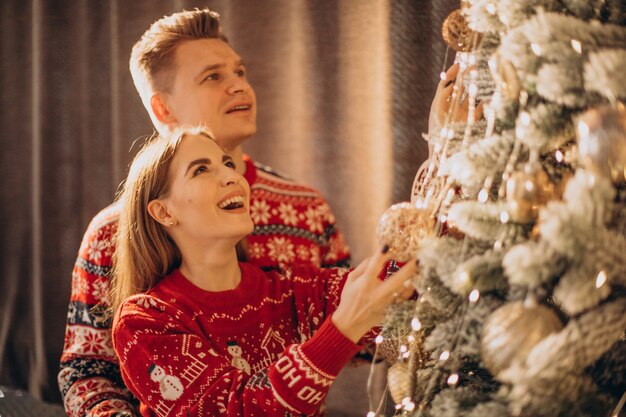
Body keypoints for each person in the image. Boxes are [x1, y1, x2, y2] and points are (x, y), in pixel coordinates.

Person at [59, 8, 351, 417]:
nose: (239, 85)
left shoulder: (305, 207)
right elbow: (88, 372)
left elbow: (364, 325)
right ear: (162, 110)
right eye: (213, 76)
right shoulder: (113, 230)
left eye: (240, 72)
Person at [110, 126, 417, 417]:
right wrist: (344, 328)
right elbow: (239, 410)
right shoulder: (145, 321)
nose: (231, 176)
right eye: (201, 169)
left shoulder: (292, 289)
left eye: (227, 163)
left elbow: (390, 286)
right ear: (164, 212)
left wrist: (442, 157)